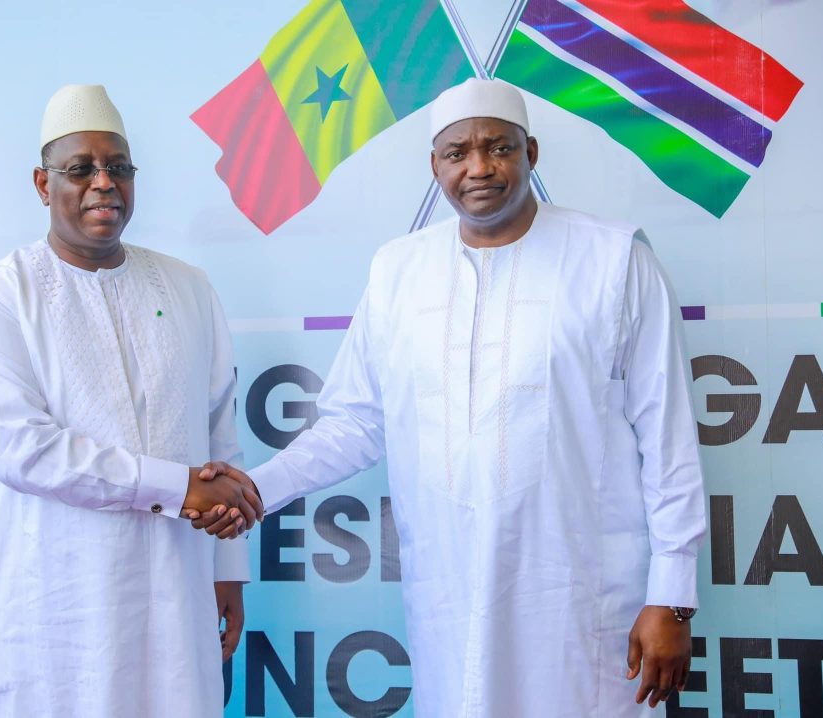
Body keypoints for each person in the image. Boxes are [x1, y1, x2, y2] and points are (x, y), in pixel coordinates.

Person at [195, 78, 706, 717]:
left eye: (500, 148)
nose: (479, 168)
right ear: (434, 165)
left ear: (531, 153)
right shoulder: (398, 270)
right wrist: (253, 491)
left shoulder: (614, 260)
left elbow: (668, 439)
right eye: (458, 152)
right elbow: (356, 424)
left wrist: (672, 597)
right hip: (449, 596)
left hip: (581, 595)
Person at [0, 84, 261, 718]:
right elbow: (21, 450)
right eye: (80, 169)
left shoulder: (189, 289)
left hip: (175, 594)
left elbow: (220, 435)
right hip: (47, 606)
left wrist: (227, 569)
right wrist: (178, 488)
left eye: (118, 168)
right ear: (42, 183)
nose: (103, 183)